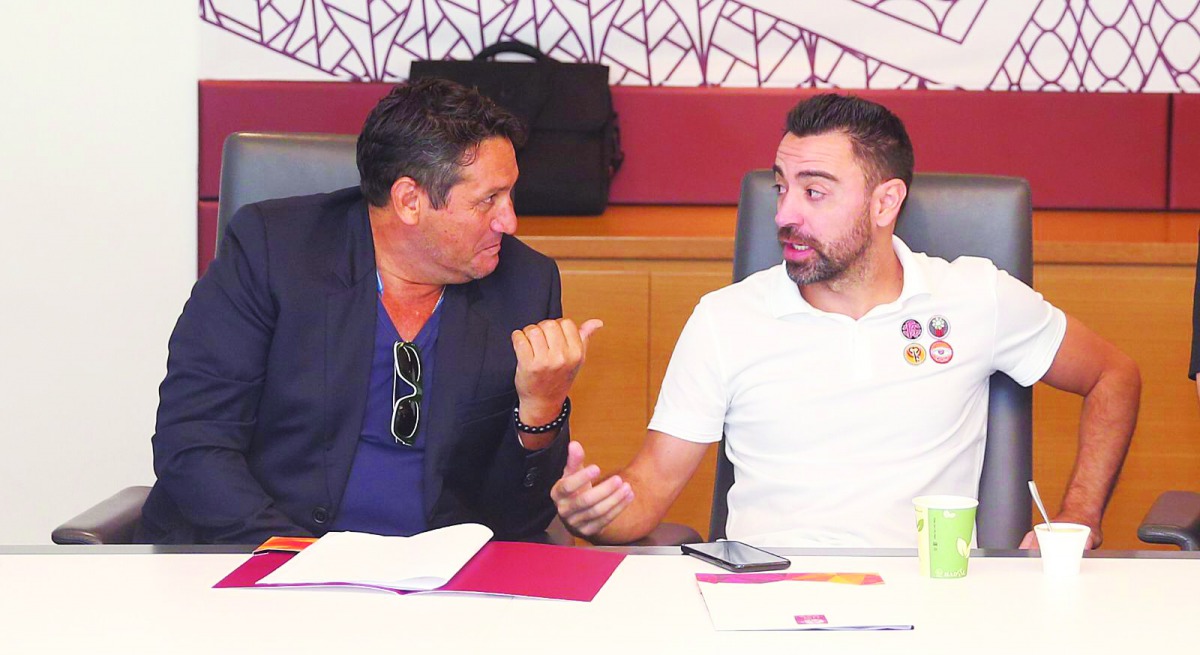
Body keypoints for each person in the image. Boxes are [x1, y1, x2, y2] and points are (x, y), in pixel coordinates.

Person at [553, 94, 1140, 549]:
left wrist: (1078, 517)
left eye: (815, 192)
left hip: (929, 604)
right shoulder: (726, 319)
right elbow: (649, 490)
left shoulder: (974, 296)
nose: (785, 213)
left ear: (885, 203)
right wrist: (595, 514)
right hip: (762, 601)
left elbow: (1113, 375)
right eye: (782, 188)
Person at [141, 78, 599, 544]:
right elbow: (194, 443)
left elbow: (517, 523)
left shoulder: (524, 284)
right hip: (265, 558)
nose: (510, 221)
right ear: (409, 200)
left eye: (509, 195)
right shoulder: (272, 251)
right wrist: (295, 557)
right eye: (488, 201)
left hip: (436, 585)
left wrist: (541, 409)